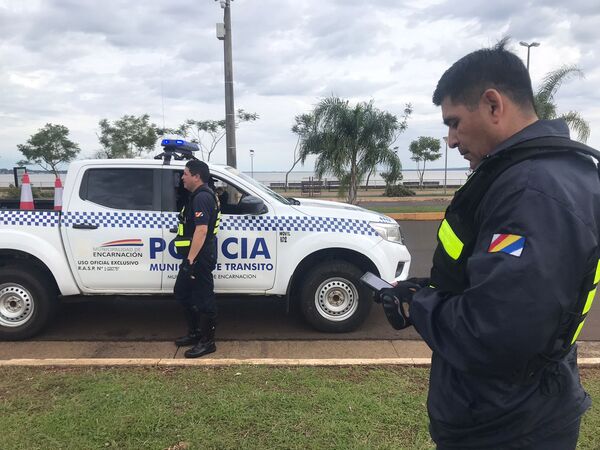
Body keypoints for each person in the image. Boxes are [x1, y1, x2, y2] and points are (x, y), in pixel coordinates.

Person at [389, 38, 600, 449]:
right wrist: (432, 290)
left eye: (453, 122)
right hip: (521, 406)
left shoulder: (531, 190)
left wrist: (419, 305)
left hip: (506, 423)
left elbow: (494, 333)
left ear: (492, 105)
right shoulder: (558, 172)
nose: (450, 140)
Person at [173, 159, 221, 358]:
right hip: (196, 255)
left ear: (196, 176)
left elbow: (201, 230)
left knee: (204, 297)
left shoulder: (202, 197)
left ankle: (207, 342)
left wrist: (191, 260)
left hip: (199, 256)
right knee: (182, 291)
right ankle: (195, 333)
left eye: (184, 173)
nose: (182, 177)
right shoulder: (199, 195)